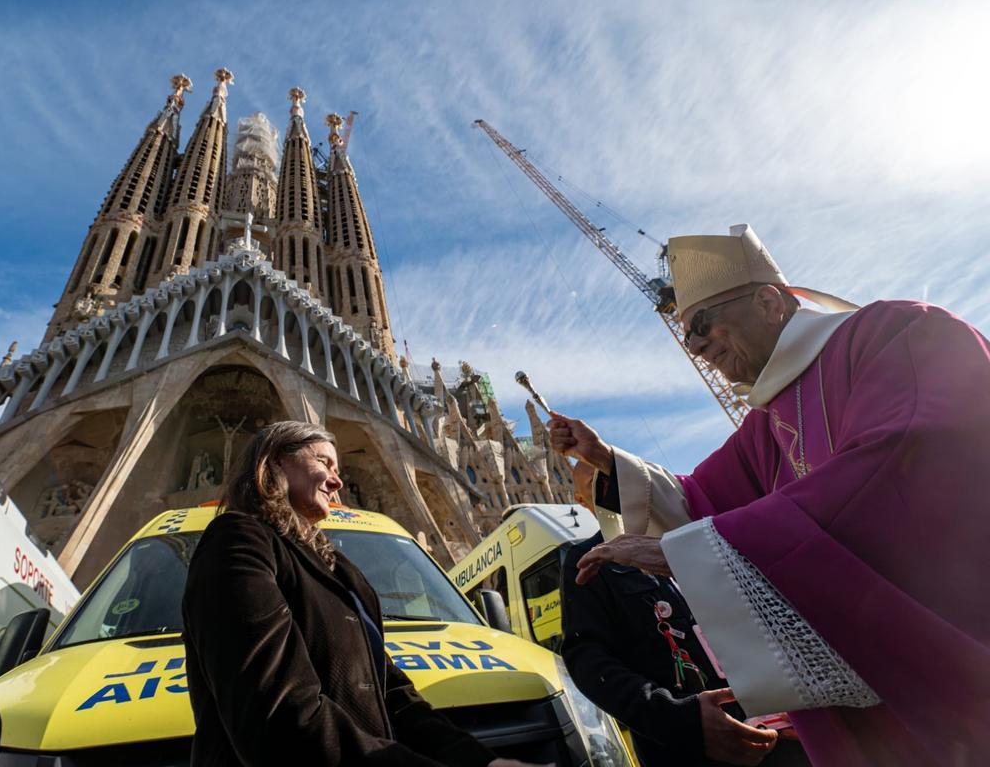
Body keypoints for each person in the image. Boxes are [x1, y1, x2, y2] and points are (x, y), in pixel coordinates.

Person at [548, 224, 990, 766]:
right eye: (686, 336)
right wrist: (604, 459)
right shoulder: (767, 422)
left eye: (701, 324)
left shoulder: (899, 334)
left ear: (768, 302)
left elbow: (903, 463)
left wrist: (692, 551)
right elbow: (702, 499)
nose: (696, 346)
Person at [181, 421, 547, 767]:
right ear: (275, 460)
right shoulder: (238, 540)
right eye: (324, 462)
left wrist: (482, 761)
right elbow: (278, 715)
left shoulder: (339, 569)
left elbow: (393, 694)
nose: (338, 481)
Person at [562, 464, 786, 766]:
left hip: (773, 721)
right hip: (695, 747)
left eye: (615, 472)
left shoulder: (685, 533)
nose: (613, 484)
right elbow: (587, 658)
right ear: (580, 500)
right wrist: (678, 717)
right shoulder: (588, 559)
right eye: (596, 481)